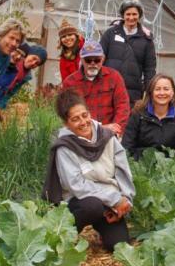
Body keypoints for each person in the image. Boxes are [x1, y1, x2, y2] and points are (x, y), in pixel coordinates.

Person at [43, 90, 135, 252]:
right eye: (75, 119)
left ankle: (104, 230)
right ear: (66, 123)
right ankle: (64, 234)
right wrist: (114, 199)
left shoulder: (107, 136)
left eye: (84, 115)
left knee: (119, 245)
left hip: (109, 203)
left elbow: (123, 171)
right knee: (92, 206)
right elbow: (76, 185)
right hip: (80, 203)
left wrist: (124, 201)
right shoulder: (65, 147)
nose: (83, 122)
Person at [62, 40, 131, 136]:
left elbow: (123, 106)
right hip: (81, 134)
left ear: (103, 59)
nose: (93, 63)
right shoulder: (70, 83)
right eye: (88, 60)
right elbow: (69, 114)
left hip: (110, 133)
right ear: (81, 60)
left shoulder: (114, 77)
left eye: (97, 60)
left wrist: (116, 128)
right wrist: (97, 128)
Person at [100, 0, 156, 106]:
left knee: (129, 119)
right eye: (128, 14)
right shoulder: (111, 33)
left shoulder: (146, 39)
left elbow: (150, 68)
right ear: (123, 15)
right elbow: (99, 58)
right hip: (108, 86)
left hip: (133, 90)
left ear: (139, 15)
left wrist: (148, 90)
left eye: (134, 14)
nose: (131, 18)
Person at [122, 74, 175, 160]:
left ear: (172, 92)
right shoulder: (138, 114)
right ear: (151, 92)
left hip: (169, 167)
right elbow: (127, 146)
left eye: (166, 89)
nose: (162, 93)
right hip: (140, 166)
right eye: (157, 89)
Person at [0, 43, 47, 109]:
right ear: (28, 54)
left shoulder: (26, 76)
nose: (33, 63)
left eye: (37, 63)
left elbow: (11, 92)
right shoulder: (12, 61)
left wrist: (0, 105)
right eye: (34, 58)